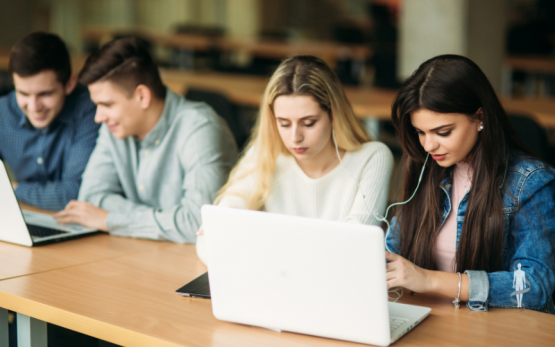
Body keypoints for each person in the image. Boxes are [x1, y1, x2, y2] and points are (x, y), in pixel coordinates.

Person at [385, 54, 555, 313]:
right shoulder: (425, 167)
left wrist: (429, 280)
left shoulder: (529, 183)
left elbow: (532, 288)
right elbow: (391, 254)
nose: (429, 145)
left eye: (443, 132)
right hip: (429, 319)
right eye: (420, 132)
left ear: (480, 117)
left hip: (495, 331)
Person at [196, 55, 394, 263]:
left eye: (308, 123)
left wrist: (260, 245)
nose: (295, 138)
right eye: (284, 123)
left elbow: (353, 249)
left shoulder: (373, 158)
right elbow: (209, 237)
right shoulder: (264, 153)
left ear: (334, 115)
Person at [54, 37, 237, 243]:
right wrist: (166, 220)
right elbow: (90, 199)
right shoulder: (114, 126)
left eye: (107, 104)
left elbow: (197, 223)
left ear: (142, 96)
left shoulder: (199, 128)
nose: (98, 117)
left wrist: (111, 220)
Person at [0, 32, 99, 210]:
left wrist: (16, 190)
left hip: (77, 225)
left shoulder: (90, 110)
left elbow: (73, 194)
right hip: (26, 216)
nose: (33, 106)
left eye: (45, 94)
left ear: (69, 84)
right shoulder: (3, 112)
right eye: (22, 93)